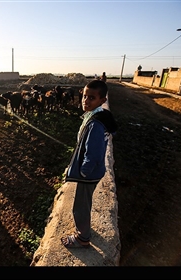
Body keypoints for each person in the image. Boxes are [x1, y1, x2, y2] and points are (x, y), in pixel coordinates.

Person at [61, 79, 118, 248]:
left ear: (102, 100)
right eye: (84, 96)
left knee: (80, 206)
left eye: (91, 98)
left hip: (90, 173)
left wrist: (83, 172)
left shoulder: (95, 124)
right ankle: (84, 231)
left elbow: (93, 153)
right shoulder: (98, 116)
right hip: (94, 171)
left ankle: (82, 238)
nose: (85, 100)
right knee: (83, 203)